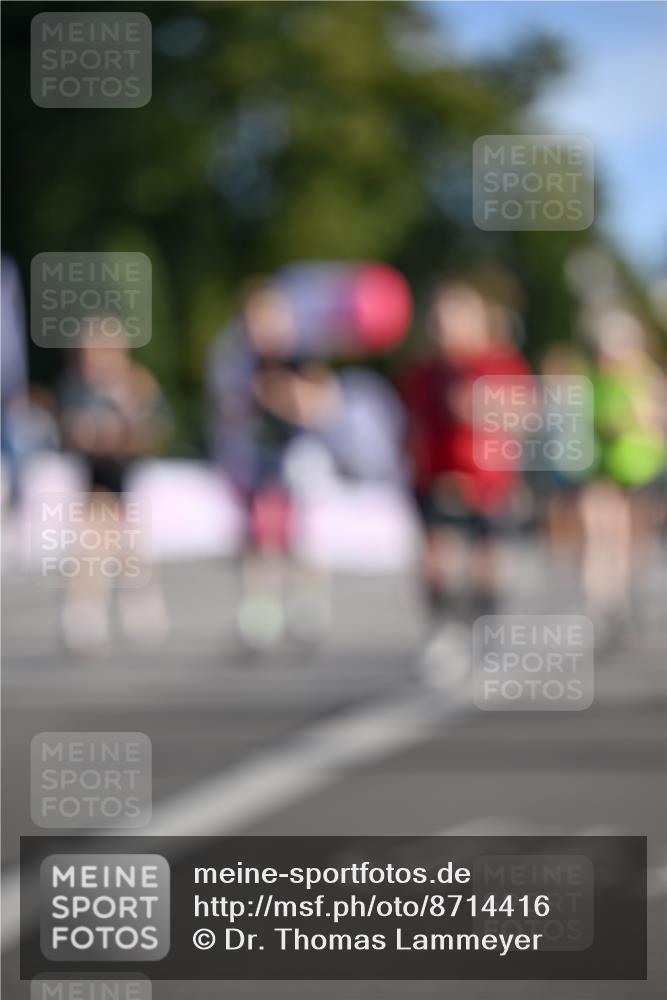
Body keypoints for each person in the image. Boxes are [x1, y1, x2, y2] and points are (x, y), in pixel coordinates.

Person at [207, 277, 406, 652]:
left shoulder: (302, 358)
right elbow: (229, 412)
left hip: (300, 457)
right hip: (259, 457)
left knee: (303, 536)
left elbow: (323, 406)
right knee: (259, 535)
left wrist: (283, 399)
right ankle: (259, 611)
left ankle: (307, 604)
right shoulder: (241, 363)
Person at [401, 281, 532, 623]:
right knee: (437, 560)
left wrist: (482, 407)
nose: (444, 329)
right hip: (439, 479)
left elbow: (526, 417)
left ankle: (485, 621)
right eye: (439, 321)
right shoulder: (424, 372)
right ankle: (443, 627)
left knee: (489, 563)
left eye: (454, 319)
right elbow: (411, 424)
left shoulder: (500, 364)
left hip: (490, 481)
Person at [57, 319, 171, 654]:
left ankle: (142, 607)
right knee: (92, 545)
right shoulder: (77, 387)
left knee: (135, 548)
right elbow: (69, 433)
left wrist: (125, 434)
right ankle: (84, 614)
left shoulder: (137, 384)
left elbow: (157, 429)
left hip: (131, 478)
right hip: (95, 479)